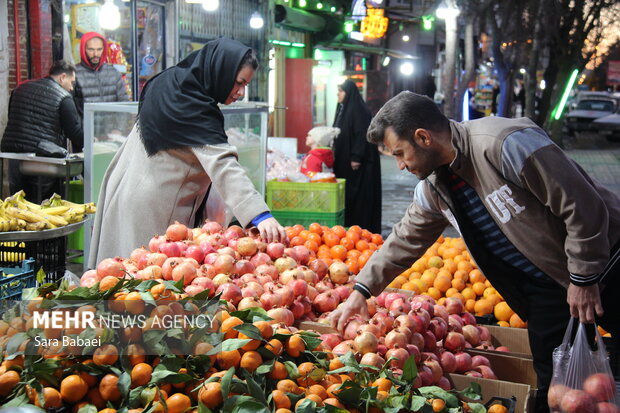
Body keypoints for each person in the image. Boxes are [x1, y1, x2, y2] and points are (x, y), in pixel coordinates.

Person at [329, 91, 620, 413]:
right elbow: (405, 238)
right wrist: (362, 289)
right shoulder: (435, 185)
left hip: (606, 260)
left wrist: (583, 277)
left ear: (423, 137)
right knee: (558, 387)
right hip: (546, 289)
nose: (399, 165)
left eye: (400, 153)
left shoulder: (505, 143)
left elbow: (583, 207)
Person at [88, 38, 286, 267]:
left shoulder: (169, 81)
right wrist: (259, 214)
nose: (241, 92)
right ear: (221, 71)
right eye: (239, 83)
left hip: (124, 187)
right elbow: (224, 165)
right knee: (146, 283)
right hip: (155, 205)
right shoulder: (195, 108)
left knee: (117, 275)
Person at [1, 60, 83, 202]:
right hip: (44, 164)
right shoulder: (63, 97)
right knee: (44, 209)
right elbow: (74, 132)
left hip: (15, 161)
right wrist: (91, 141)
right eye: (72, 82)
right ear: (63, 77)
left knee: (19, 207)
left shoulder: (19, 89)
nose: (71, 88)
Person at [332, 79, 382, 233]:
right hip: (345, 161)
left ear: (349, 93)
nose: (338, 94)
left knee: (359, 196)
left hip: (359, 163)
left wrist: (356, 157)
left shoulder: (358, 109)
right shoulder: (343, 108)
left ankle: (361, 226)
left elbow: (362, 134)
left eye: (341, 91)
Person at [74, 32, 129, 115]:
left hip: (110, 127)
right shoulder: (74, 74)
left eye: (99, 49)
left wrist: (119, 127)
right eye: (91, 49)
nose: (95, 54)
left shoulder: (113, 73)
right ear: (83, 49)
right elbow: (70, 111)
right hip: (85, 127)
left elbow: (124, 103)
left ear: (104, 49)